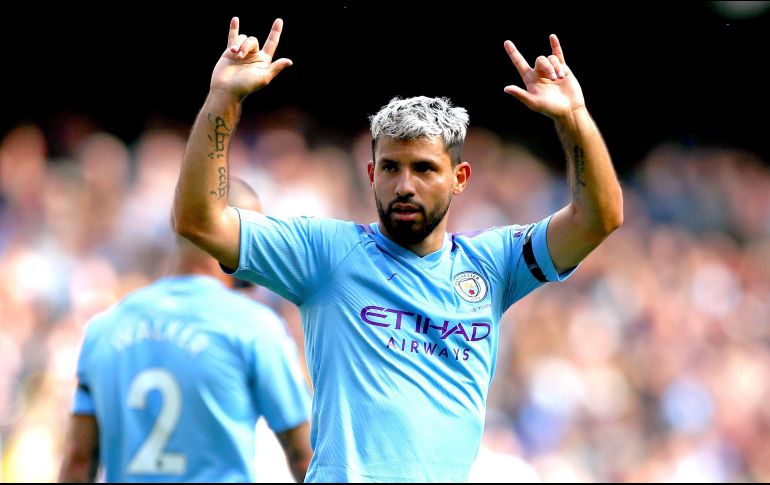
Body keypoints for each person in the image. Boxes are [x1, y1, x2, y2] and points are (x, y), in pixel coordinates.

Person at [173, 17, 623, 482]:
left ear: (459, 178)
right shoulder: (325, 254)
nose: (404, 185)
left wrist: (574, 119)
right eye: (390, 168)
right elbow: (200, 221)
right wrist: (223, 98)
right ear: (372, 175)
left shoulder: (494, 265)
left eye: (424, 169)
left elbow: (598, 219)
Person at [58, 178, 313, 483]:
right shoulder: (254, 327)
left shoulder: (104, 328)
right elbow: (304, 456)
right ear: (230, 232)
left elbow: (78, 460)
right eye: (256, 231)